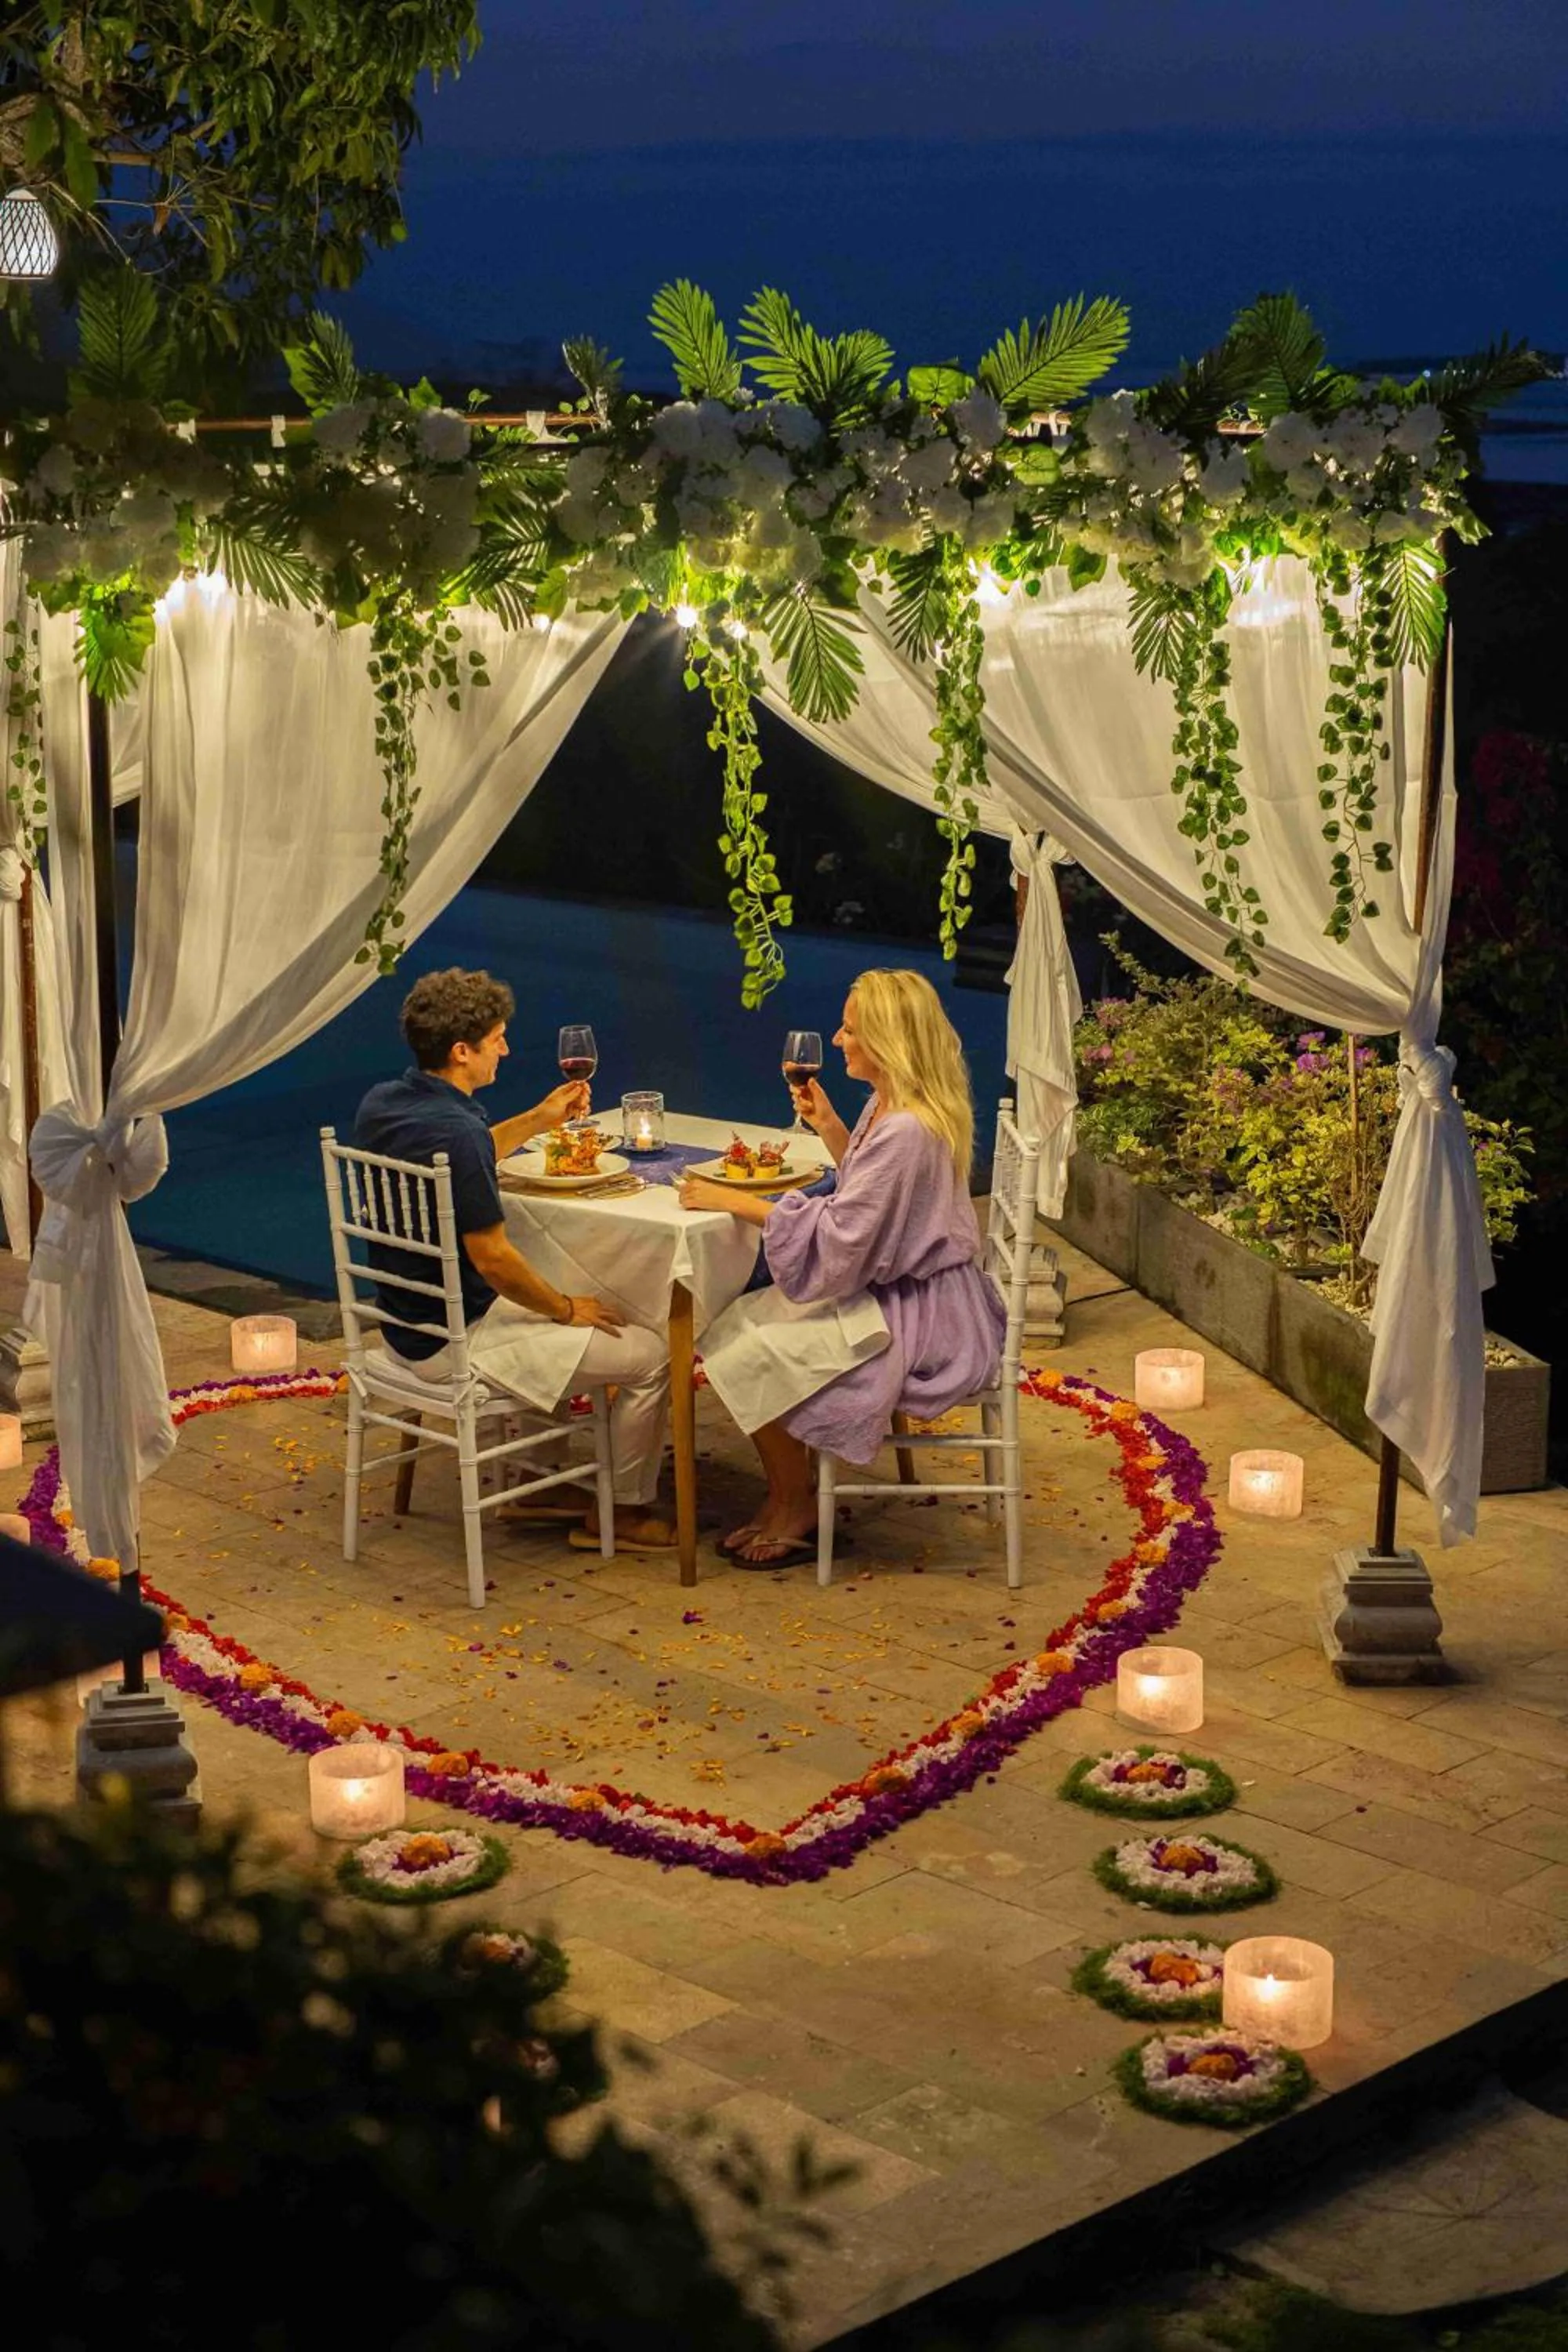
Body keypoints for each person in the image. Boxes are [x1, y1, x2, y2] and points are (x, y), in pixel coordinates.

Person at [680, 968, 1004, 1567]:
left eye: (850, 1030)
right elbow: (870, 1203)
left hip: (923, 1314)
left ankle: (793, 1502)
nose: (837, 1040)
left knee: (748, 1345)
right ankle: (788, 1495)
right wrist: (829, 1126)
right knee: (736, 1327)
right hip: (913, 1287)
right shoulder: (894, 1104)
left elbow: (843, 1239)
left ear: (886, 1040)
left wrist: (733, 1201)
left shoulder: (906, 1129)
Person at [353, 969, 675, 1550]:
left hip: (402, 1323)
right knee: (651, 1355)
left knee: (542, 1295)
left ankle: (538, 1484)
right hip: (455, 1341)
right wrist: (565, 1308)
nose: (505, 1050)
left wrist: (538, 1119)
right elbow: (495, 1261)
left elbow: (461, 1154)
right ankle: (625, 1511)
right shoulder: (458, 1132)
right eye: (497, 1039)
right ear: (462, 1051)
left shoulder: (384, 1104)